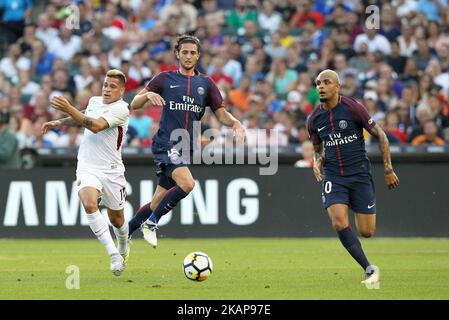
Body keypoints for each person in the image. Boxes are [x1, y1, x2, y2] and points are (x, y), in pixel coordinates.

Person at [127, 34, 245, 247]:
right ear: (177, 54)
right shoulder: (164, 78)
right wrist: (147, 96)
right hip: (166, 143)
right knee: (188, 184)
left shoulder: (207, 83)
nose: (188, 56)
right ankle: (152, 224)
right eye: (184, 52)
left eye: (192, 53)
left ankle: (124, 234)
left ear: (198, 56)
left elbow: (221, 114)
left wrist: (236, 123)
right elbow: (134, 103)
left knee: (156, 203)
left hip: (186, 148)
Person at [307, 69, 400, 285]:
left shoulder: (353, 108)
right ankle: (369, 269)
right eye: (318, 83)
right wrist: (317, 161)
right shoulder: (314, 119)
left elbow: (381, 136)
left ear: (337, 87)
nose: (320, 86)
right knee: (339, 222)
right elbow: (318, 149)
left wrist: (388, 169)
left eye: (326, 82)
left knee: (366, 231)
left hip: (359, 175)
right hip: (334, 177)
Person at [41, 69, 130, 276]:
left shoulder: (122, 109)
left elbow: (96, 125)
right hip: (88, 166)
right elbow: (83, 118)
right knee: (89, 203)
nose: (107, 89)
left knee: (117, 219)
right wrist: (59, 122)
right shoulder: (94, 101)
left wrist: (69, 108)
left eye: (112, 86)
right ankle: (113, 255)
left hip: (112, 171)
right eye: (105, 85)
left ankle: (124, 246)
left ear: (122, 91)